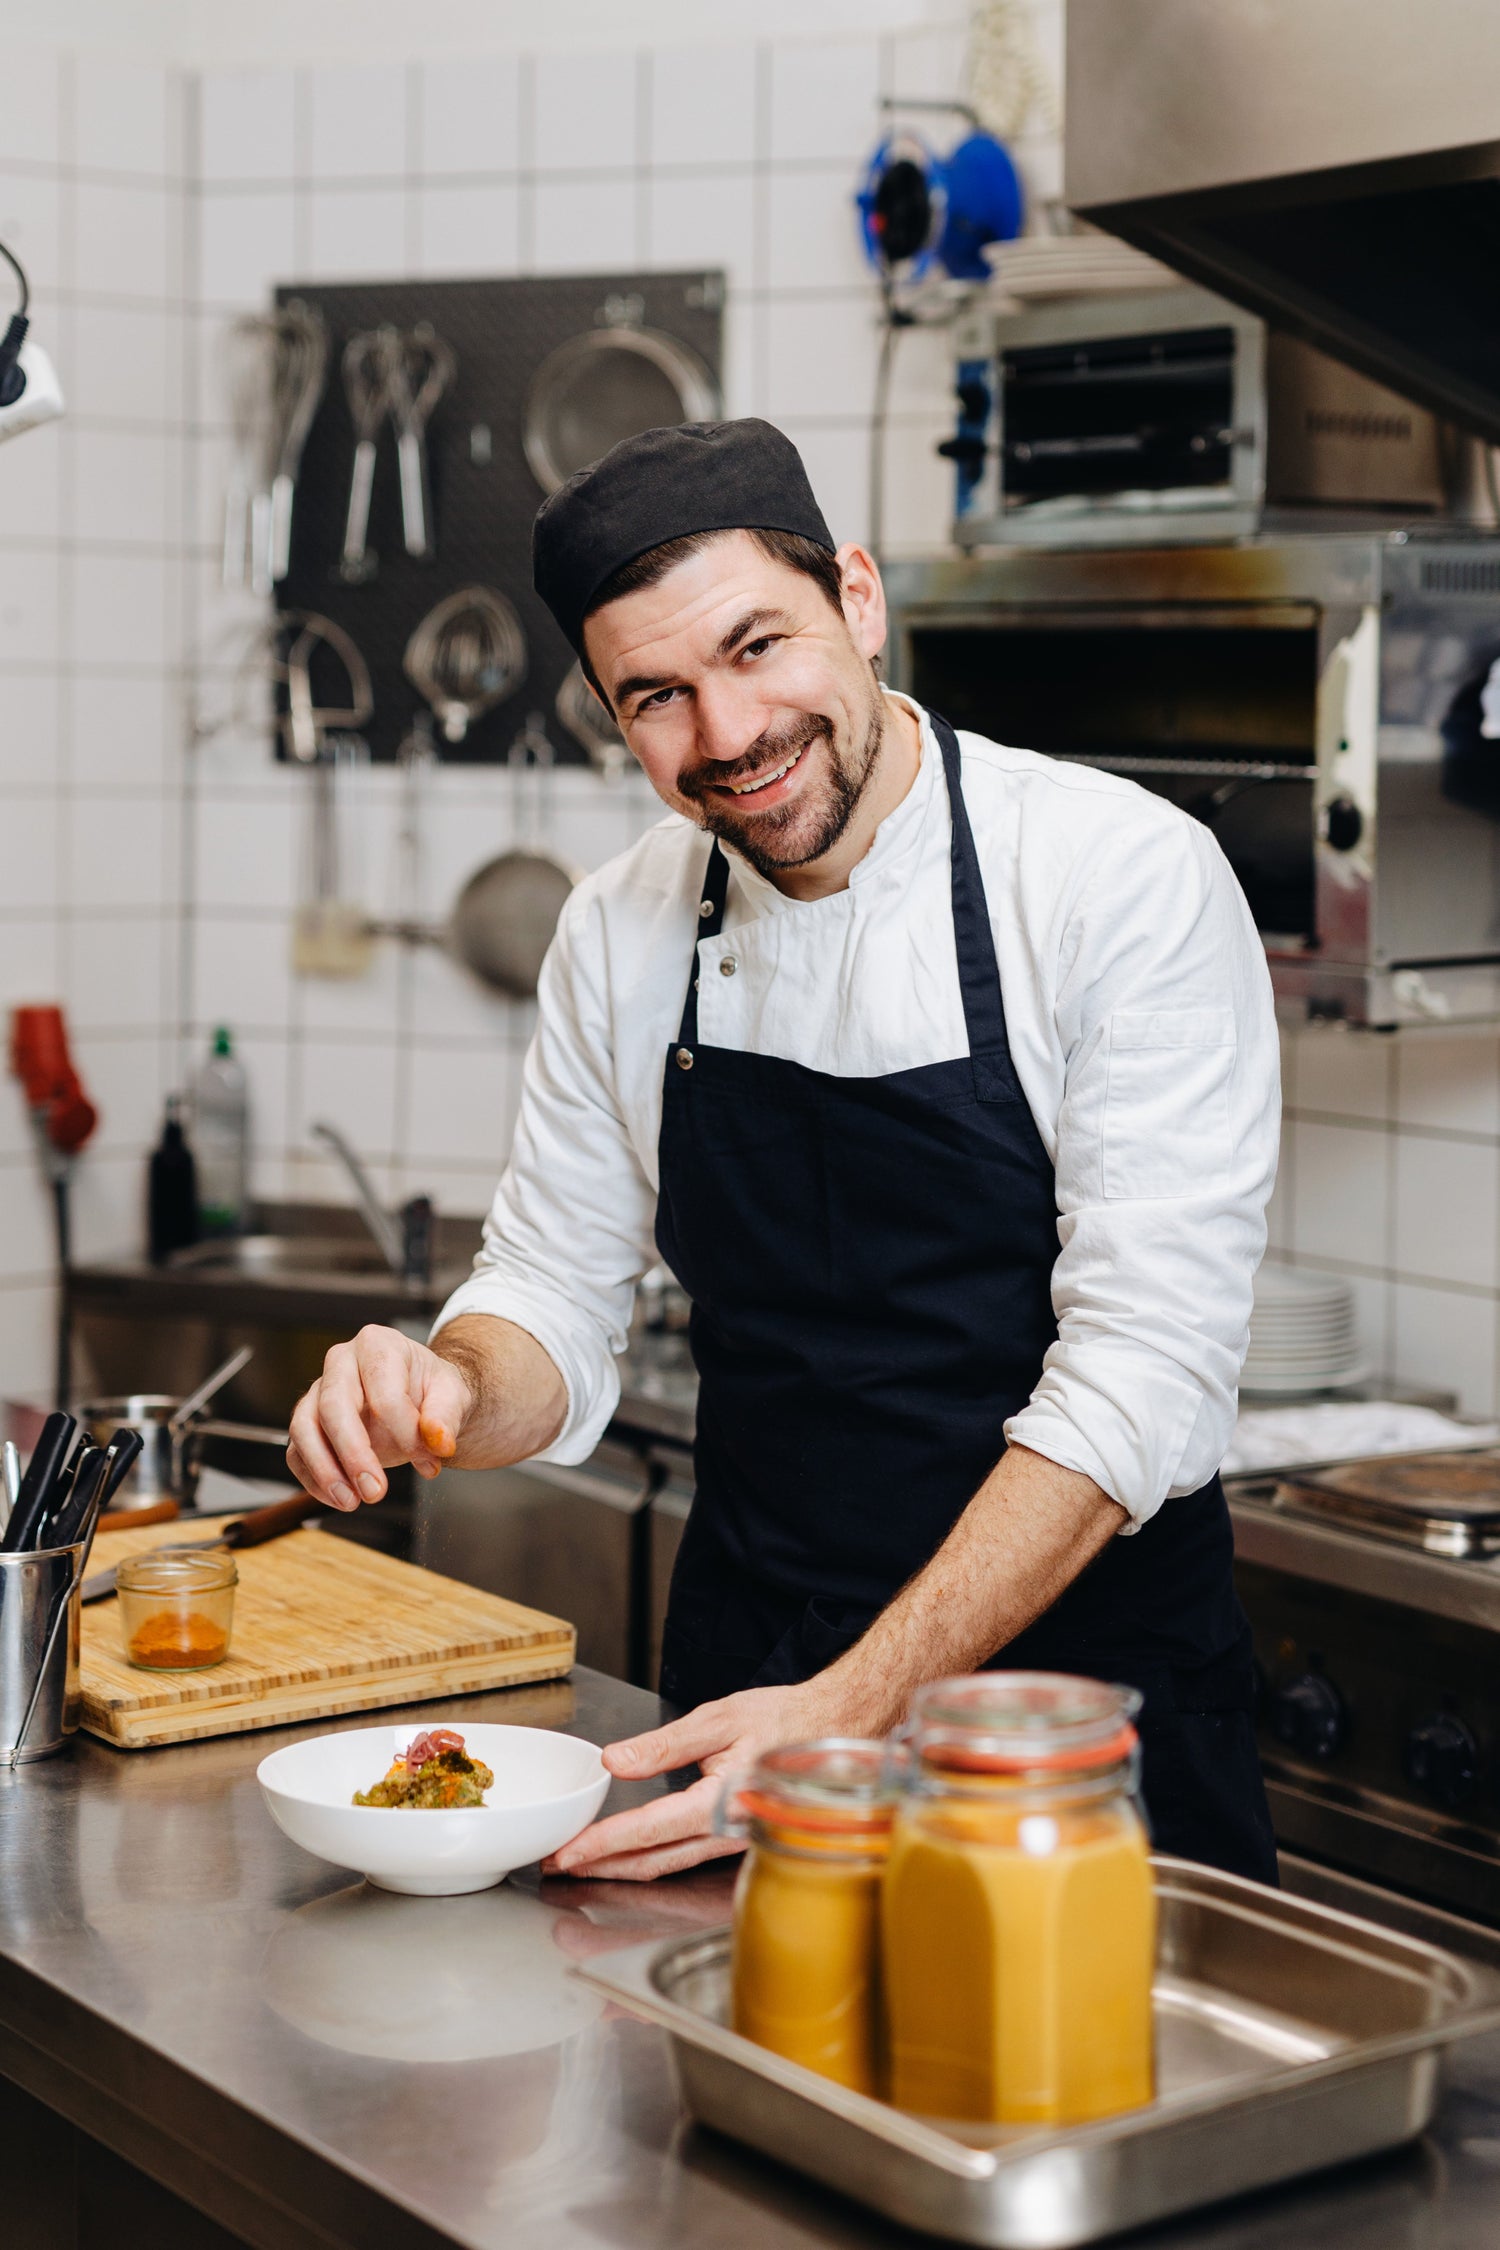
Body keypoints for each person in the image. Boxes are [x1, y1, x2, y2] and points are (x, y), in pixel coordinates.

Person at [288, 418, 1281, 1885]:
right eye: (658, 698)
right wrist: (451, 1383)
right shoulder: (621, 927)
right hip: (752, 1683)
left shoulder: (1111, 877)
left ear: (859, 601)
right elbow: (553, 1290)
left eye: (760, 646)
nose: (729, 735)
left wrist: (853, 1713)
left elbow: (1143, 1373)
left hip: (1067, 1730)